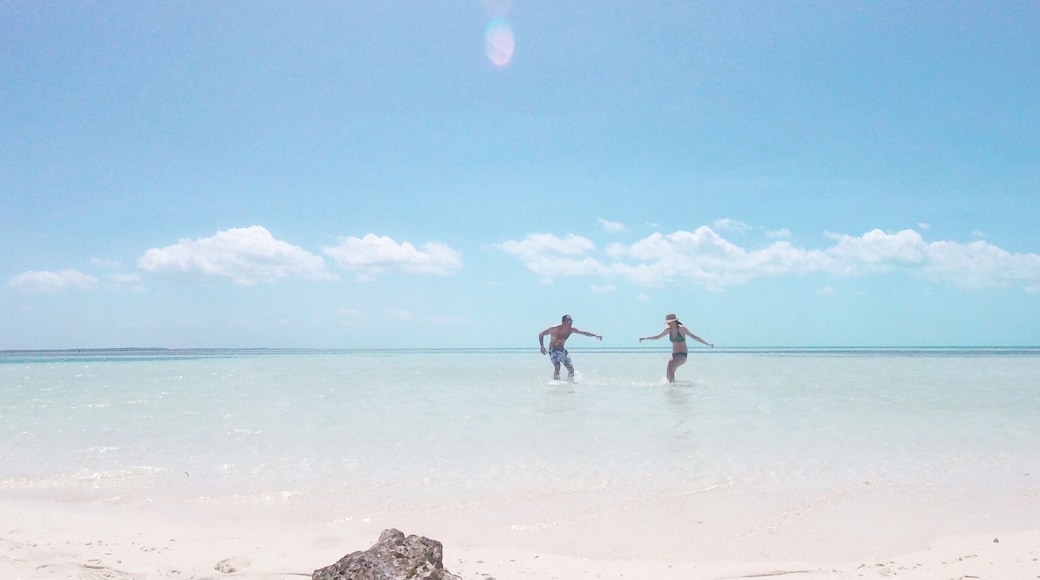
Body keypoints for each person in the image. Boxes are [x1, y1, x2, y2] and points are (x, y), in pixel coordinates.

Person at [639, 313, 713, 382]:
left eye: (669, 322)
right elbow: (658, 337)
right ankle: (673, 389)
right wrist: (645, 338)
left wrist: (707, 344)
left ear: (674, 321)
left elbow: (694, 337)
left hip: (682, 355)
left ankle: (672, 386)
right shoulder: (668, 330)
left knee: (670, 366)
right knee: (669, 371)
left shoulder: (681, 329)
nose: (668, 323)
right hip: (674, 355)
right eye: (667, 322)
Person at [538, 315, 602, 381]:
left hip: (562, 350)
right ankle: (556, 385)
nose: (570, 323)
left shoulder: (571, 330)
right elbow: (541, 334)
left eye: (571, 321)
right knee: (557, 367)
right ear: (563, 322)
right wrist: (542, 346)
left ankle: (569, 385)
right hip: (553, 350)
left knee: (571, 369)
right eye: (569, 321)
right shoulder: (555, 328)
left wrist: (595, 335)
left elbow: (583, 332)